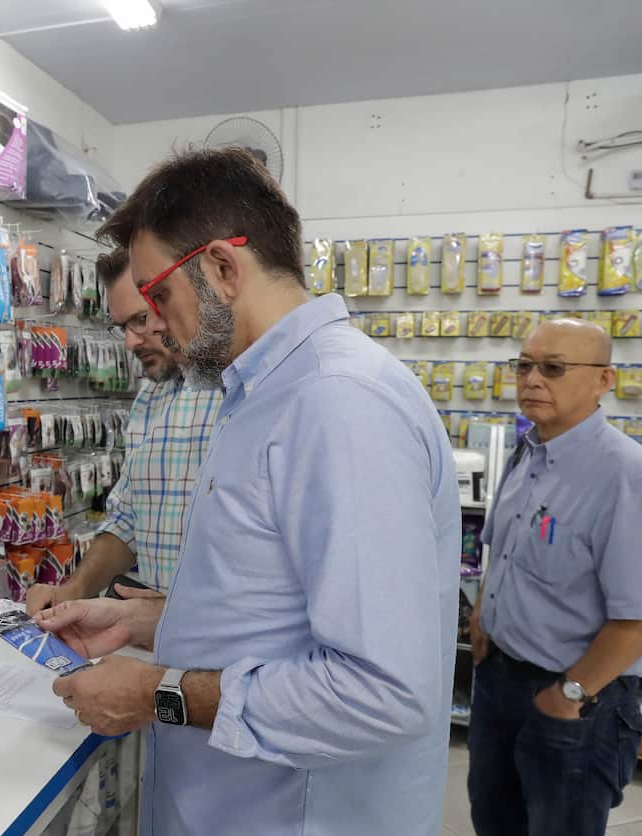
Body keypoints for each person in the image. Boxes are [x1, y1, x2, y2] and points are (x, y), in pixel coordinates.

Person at [37, 148, 459, 835]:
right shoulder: (261, 394)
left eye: (158, 295)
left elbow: (380, 693)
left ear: (222, 269)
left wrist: (159, 693)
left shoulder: (336, 404)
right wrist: (152, 624)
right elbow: (281, 601)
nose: (153, 325)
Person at [468, 319, 642, 836]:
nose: (532, 380)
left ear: (604, 380)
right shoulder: (528, 451)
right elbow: (502, 548)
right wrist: (483, 612)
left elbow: (634, 620)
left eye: (553, 368)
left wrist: (568, 695)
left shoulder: (624, 474)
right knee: (494, 819)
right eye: (524, 366)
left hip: (578, 701)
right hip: (500, 680)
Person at [26, 248, 219, 613]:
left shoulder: (238, 394)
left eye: (141, 319)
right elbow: (128, 517)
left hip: (236, 658)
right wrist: (74, 590)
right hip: (161, 649)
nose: (130, 342)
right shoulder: (150, 396)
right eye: (123, 327)